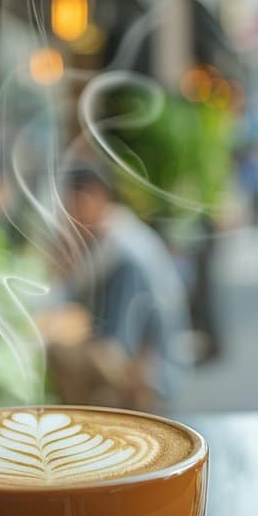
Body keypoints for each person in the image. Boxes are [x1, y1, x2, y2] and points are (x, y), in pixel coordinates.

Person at [44, 167, 189, 410]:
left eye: (72, 204)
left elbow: (117, 349)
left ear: (94, 197)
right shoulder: (111, 237)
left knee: (60, 355)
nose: (67, 215)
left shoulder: (125, 254)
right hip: (137, 361)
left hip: (153, 376)